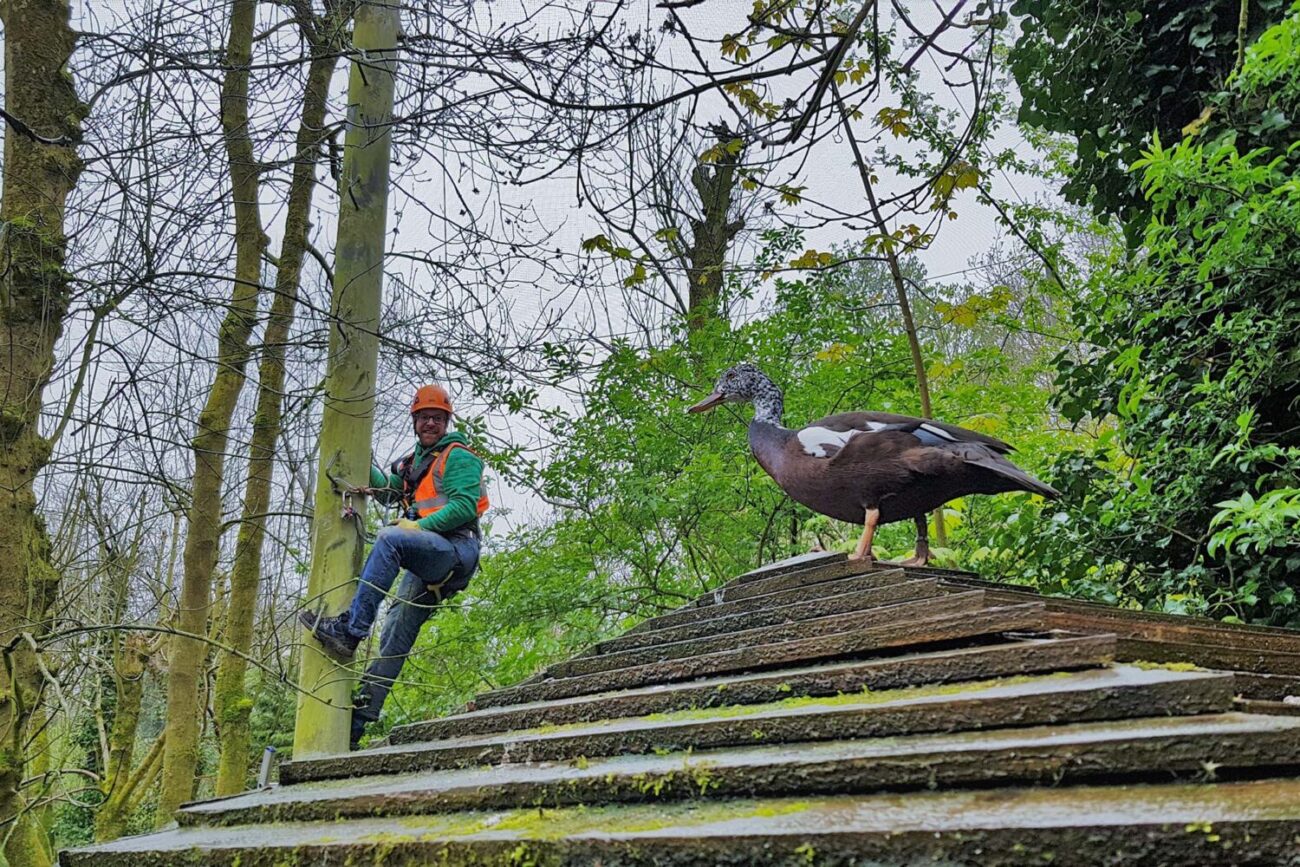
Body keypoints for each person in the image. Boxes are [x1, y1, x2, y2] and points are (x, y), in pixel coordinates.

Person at [299, 383, 488, 747]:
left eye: (437, 418)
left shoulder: (458, 457)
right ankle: (357, 724)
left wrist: (416, 525)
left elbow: (464, 507)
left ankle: (349, 631)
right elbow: (390, 492)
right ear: (414, 421)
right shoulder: (413, 463)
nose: (430, 423)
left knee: (390, 538)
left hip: (456, 550)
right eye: (424, 417)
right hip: (426, 561)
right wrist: (362, 465)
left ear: (447, 421)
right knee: (394, 638)